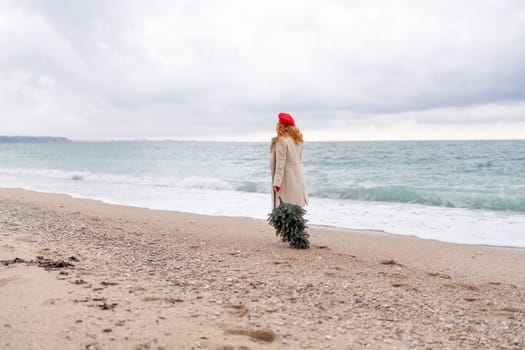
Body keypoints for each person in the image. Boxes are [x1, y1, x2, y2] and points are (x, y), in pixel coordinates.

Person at [270, 112, 308, 209]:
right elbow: (298, 159)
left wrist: (277, 182)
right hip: (298, 178)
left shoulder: (282, 141)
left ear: (281, 126)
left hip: (286, 180)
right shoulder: (298, 140)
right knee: (295, 212)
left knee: (283, 212)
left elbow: (280, 164)